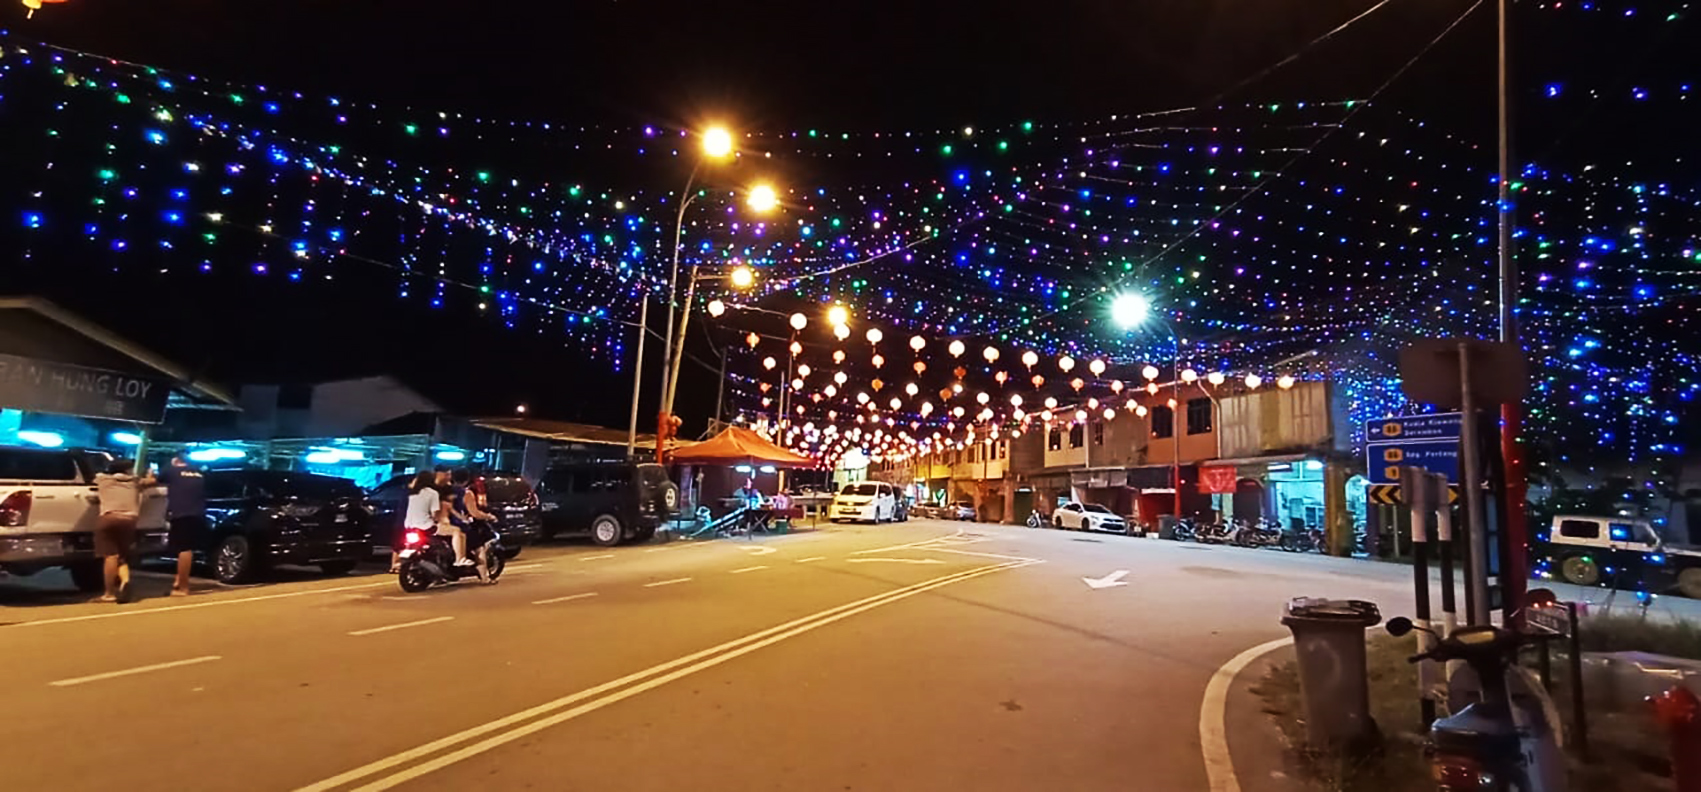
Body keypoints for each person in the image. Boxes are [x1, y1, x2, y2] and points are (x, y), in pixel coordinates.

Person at [93, 459, 153, 603]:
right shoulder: (135, 482)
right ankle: (125, 581)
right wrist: (150, 472)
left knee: (110, 556)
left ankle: (109, 593)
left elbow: (93, 479)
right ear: (127, 471)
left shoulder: (103, 479)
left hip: (109, 518)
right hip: (129, 520)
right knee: (122, 556)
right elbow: (151, 481)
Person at [157, 453, 207, 596]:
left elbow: (154, 480)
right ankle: (178, 582)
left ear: (175, 460)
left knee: (184, 550)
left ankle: (184, 587)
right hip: (198, 513)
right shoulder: (198, 472)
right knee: (186, 548)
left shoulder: (171, 470)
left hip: (181, 514)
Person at [450, 469, 498, 582]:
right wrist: (489, 516)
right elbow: (474, 513)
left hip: (444, 525)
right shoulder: (466, 493)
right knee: (479, 547)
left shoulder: (446, 491)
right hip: (461, 526)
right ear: (467, 480)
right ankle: (485, 577)